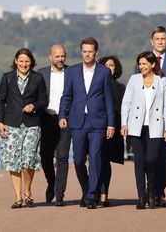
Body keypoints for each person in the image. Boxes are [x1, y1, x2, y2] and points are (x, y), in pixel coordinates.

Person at [59, 37, 115, 209]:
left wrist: (111, 124)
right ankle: (87, 189)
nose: (88, 54)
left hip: (98, 123)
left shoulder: (104, 72)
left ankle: (91, 196)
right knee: (77, 160)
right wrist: (62, 115)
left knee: (96, 158)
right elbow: (66, 95)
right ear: (81, 51)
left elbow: (109, 100)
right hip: (77, 122)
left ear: (96, 52)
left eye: (91, 51)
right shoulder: (73, 72)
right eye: (85, 51)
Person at [135, 26, 166, 206]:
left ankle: (158, 191)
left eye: (163, 39)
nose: (160, 42)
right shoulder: (143, 59)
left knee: (160, 156)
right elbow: (135, 86)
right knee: (146, 156)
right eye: (157, 39)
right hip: (144, 116)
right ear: (152, 41)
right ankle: (148, 189)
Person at [0, 48, 48, 209]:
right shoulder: (7, 78)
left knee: (28, 161)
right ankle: (18, 197)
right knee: (14, 162)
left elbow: (44, 100)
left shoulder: (38, 78)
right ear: (16, 61)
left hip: (32, 124)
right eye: (21, 61)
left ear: (31, 62)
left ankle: (28, 189)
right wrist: (0, 122)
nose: (24, 64)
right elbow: (0, 101)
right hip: (11, 124)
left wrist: (34, 105)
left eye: (27, 61)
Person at [121, 51, 166, 209]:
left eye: (144, 63)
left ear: (152, 64)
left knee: (151, 159)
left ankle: (152, 191)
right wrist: (124, 124)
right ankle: (141, 196)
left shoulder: (161, 81)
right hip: (136, 127)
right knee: (139, 162)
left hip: (155, 127)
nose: (141, 66)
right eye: (140, 64)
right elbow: (126, 102)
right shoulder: (134, 80)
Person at [37, 44, 72, 206]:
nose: (60, 59)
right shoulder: (41, 74)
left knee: (62, 157)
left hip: (65, 119)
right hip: (46, 119)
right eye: (57, 56)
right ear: (50, 57)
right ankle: (51, 183)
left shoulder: (72, 73)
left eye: (63, 56)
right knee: (45, 157)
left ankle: (59, 194)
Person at [97, 55, 126, 206]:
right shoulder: (94, 85)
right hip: (95, 127)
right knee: (95, 161)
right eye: (105, 65)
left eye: (112, 65)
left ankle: (103, 192)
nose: (109, 67)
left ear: (116, 69)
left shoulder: (120, 88)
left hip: (112, 128)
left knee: (105, 160)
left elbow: (123, 109)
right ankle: (93, 190)